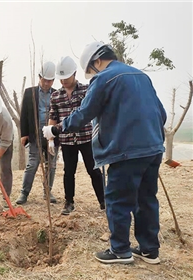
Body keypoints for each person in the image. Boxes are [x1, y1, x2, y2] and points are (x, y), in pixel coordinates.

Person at [43, 41, 166, 264]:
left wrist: (56, 128)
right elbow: (162, 113)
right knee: (146, 198)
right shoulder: (141, 76)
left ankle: (120, 250)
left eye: (92, 70)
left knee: (117, 198)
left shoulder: (104, 78)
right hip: (153, 147)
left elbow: (84, 113)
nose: (92, 74)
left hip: (126, 149)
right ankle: (149, 250)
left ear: (97, 61)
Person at [47, 56, 105, 215]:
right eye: (61, 79)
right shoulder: (55, 96)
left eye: (66, 78)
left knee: (93, 170)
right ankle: (69, 202)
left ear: (74, 74)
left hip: (86, 137)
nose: (63, 81)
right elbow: (53, 117)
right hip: (66, 140)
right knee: (69, 171)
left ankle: (103, 200)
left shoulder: (86, 90)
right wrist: (51, 139)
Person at [15, 61, 59, 205]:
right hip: (35, 132)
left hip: (52, 133)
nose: (47, 83)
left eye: (50, 80)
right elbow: (24, 115)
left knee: (51, 164)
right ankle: (24, 193)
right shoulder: (30, 93)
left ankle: (48, 192)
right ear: (39, 77)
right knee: (32, 163)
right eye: (44, 79)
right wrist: (24, 134)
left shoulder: (57, 94)